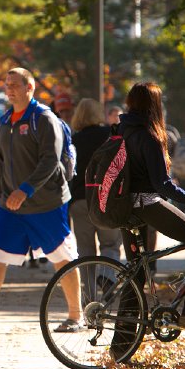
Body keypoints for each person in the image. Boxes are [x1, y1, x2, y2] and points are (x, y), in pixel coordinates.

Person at [0, 67, 81, 333]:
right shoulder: (4, 122)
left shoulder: (44, 119)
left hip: (47, 204)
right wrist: (0, 197)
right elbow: (0, 164)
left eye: (15, 84)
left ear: (30, 87)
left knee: (63, 257)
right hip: (10, 207)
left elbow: (50, 160)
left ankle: (75, 315)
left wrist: (25, 189)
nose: (9, 88)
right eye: (7, 84)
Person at [116, 82, 185, 334]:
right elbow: (162, 186)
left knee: (137, 275)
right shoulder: (148, 136)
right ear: (155, 105)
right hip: (146, 204)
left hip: (123, 207)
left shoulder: (121, 130)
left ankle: (121, 347)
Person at [68, 97, 123, 261]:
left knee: (85, 250)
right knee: (110, 244)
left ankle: (89, 287)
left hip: (80, 199)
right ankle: (107, 280)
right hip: (106, 198)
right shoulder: (110, 134)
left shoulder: (73, 139)